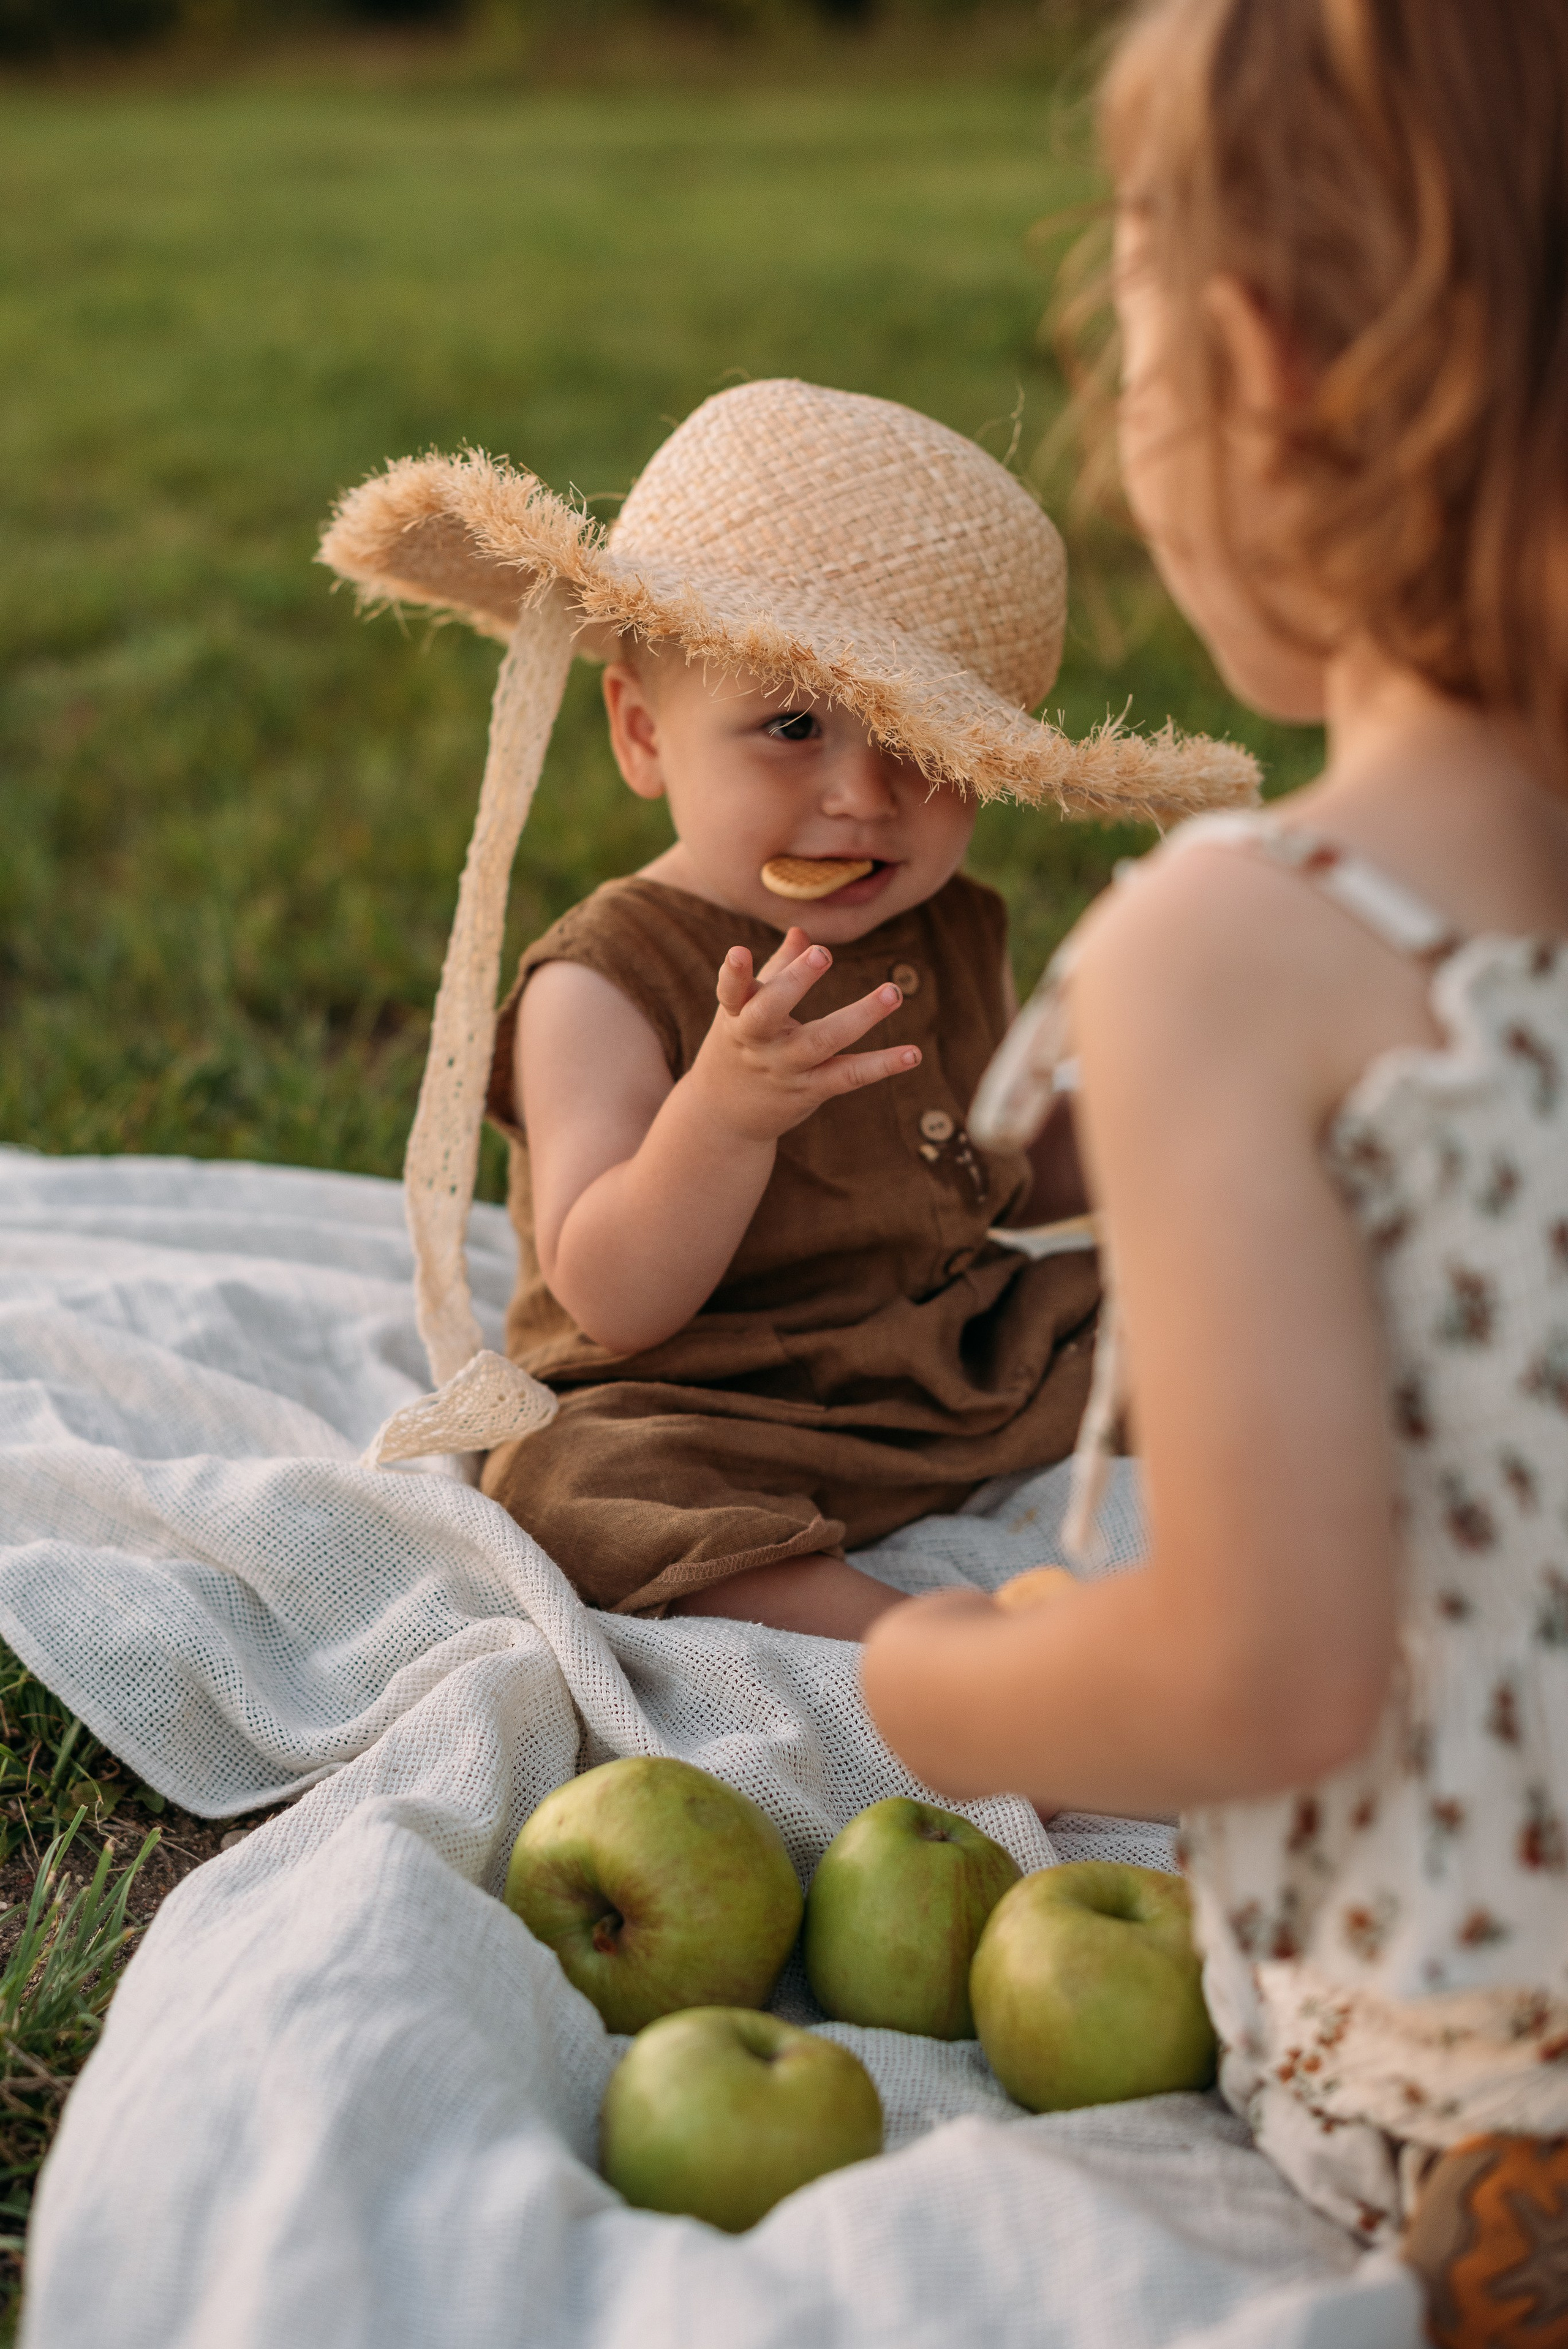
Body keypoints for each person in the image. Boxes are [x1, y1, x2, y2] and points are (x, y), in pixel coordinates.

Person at [859, 3, 1568, 2339]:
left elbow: (1266, 1670)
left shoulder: (1243, 950)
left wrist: (951, 1686)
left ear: (1260, 367)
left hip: (1482, 2061)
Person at [320, 379, 1253, 1630]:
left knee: (1198, 1293)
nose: (865, 795)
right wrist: (723, 1114)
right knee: (577, 1487)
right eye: (794, 725)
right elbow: (612, 1294)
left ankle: (1316, 1460)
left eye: (922, 741)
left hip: (946, 1347)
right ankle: (901, 1633)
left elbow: (997, 1161)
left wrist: (1167, 1118)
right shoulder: (602, 977)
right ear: (643, 735)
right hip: (707, 1399)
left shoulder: (945, 927)